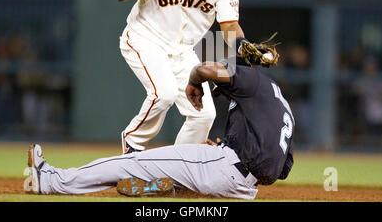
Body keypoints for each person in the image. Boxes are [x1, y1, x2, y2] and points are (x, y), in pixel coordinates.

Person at [24, 37, 294, 200]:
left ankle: (49, 180)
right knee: (187, 177)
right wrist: (231, 148)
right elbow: (283, 168)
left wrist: (194, 80)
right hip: (245, 190)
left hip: (225, 170)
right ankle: (160, 189)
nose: (222, 94)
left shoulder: (249, 78)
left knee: (131, 163)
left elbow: (204, 68)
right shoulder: (280, 105)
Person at [116, 0, 247, 154]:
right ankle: (132, 146)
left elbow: (229, 27)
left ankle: (177, 167)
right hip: (144, 38)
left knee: (204, 114)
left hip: (182, 51)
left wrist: (242, 47)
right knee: (163, 94)